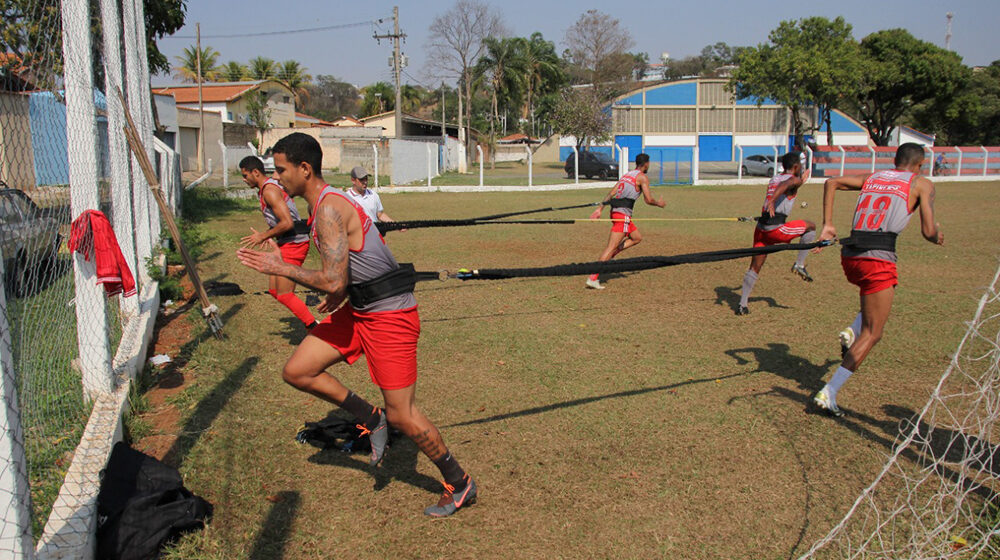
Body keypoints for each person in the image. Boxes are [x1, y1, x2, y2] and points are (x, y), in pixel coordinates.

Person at [236, 133, 476, 517]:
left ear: (304, 168)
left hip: (389, 316)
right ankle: (370, 417)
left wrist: (280, 267)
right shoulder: (321, 207)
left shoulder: (329, 208)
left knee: (403, 413)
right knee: (298, 370)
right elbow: (344, 274)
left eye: (281, 171)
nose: (278, 180)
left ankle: (460, 482)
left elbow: (331, 279)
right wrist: (342, 291)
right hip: (359, 308)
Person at [812, 142, 944, 417]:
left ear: (895, 160)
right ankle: (830, 392)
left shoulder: (874, 176)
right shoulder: (922, 183)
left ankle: (851, 329)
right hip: (878, 259)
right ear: (919, 164)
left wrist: (828, 224)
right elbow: (929, 232)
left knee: (874, 303)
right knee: (874, 333)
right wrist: (938, 235)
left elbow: (832, 181)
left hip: (850, 257)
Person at [238, 155, 316, 329]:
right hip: (286, 242)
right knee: (274, 291)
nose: (244, 180)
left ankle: (315, 327)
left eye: (245, 175)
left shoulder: (269, 191)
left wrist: (263, 236)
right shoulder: (266, 189)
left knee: (284, 294)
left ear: (255, 172)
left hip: (295, 243)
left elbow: (287, 222)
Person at [736, 151, 815, 315]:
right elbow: (786, 185)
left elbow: (784, 184)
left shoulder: (774, 178)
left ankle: (742, 305)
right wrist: (773, 200)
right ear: (795, 167)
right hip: (775, 230)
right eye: (799, 166)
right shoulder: (792, 179)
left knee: (755, 266)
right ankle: (799, 265)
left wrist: (801, 181)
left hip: (760, 229)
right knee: (811, 226)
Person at [585, 152, 665, 290]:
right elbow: (648, 200)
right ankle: (593, 278)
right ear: (646, 164)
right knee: (610, 247)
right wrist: (659, 203)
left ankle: (613, 252)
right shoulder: (642, 177)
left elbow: (611, 193)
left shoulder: (627, 175)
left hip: (616, 212)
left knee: (636, 238)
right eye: (648, 163)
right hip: (623, 215)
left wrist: (600, 209)